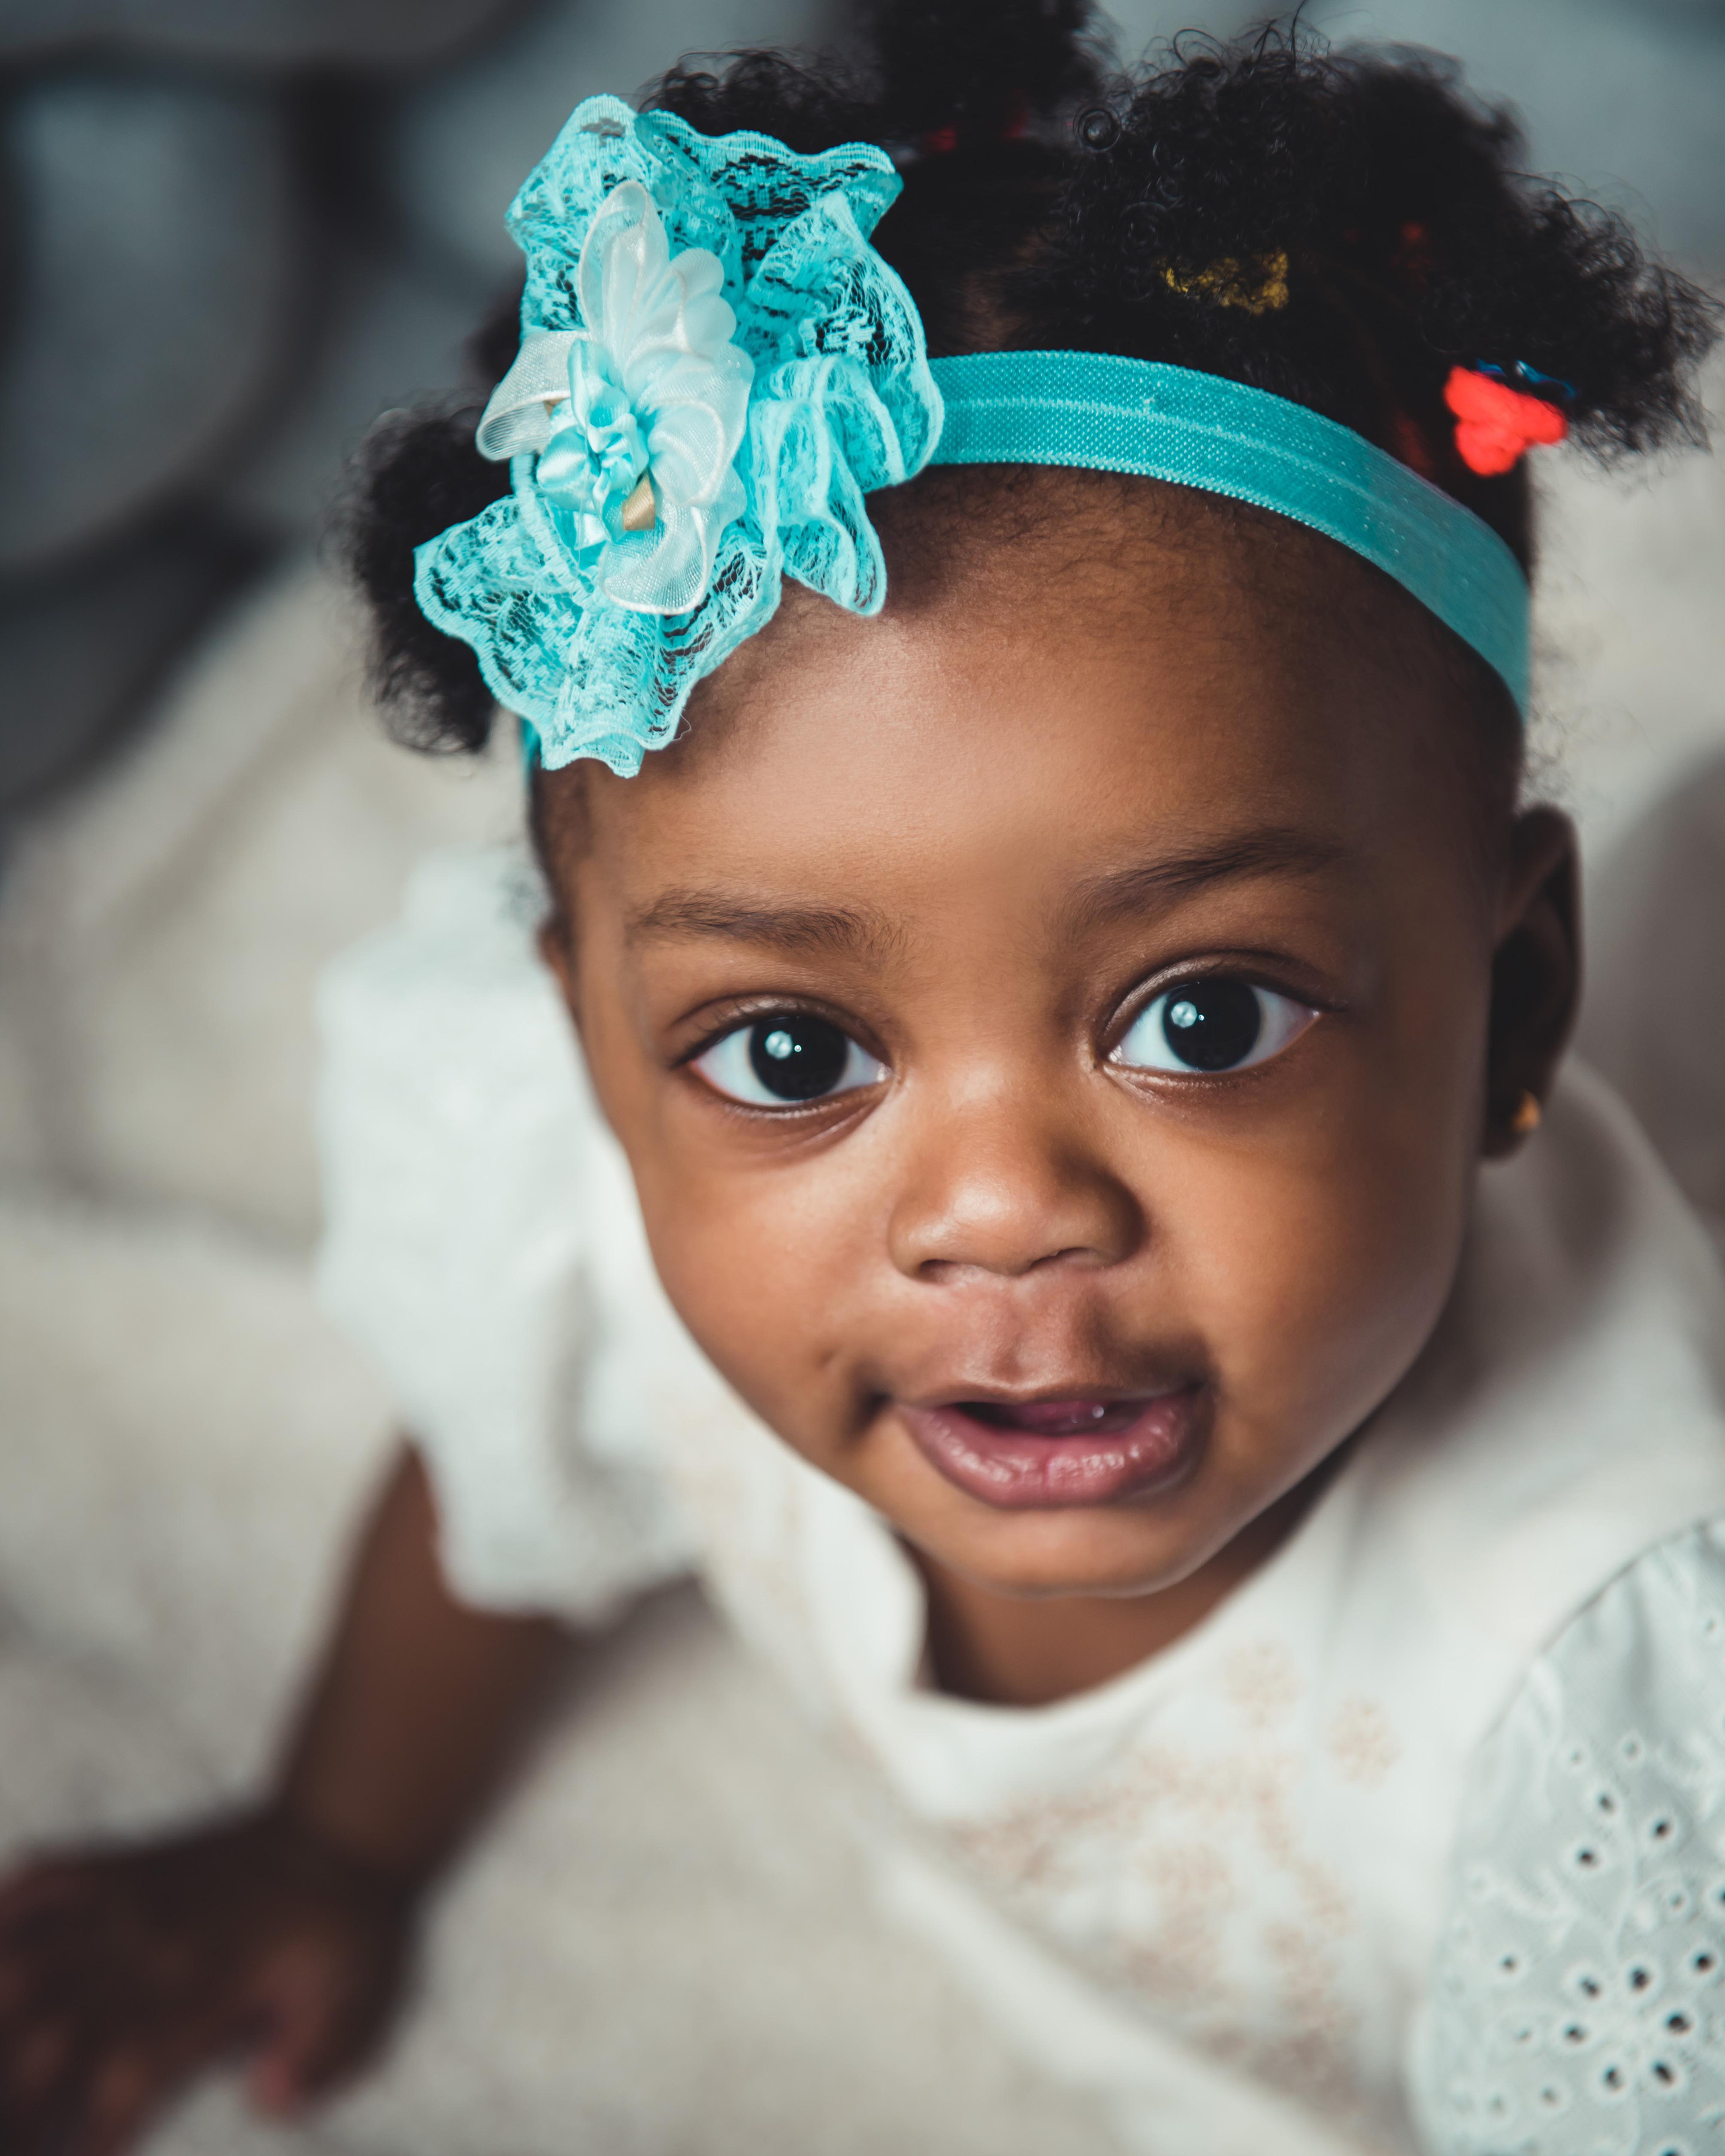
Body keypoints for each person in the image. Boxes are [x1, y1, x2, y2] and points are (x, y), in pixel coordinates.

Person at [1, 7, 1721, 2153]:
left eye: (1203, 1016)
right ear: (602, 1063)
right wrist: (329, 1844)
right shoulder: (627, 1220)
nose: (998, 1210)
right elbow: (491, 1496)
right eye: (797, 1051)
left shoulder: (1603, 1700)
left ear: (1516, 998)